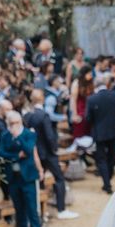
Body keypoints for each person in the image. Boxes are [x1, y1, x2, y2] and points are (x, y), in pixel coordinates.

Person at [25, 89, 79, 220]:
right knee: (59, 178)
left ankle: (41, 211)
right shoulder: (43, 115)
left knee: (40, 179)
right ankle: (61, 209)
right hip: (48, 153)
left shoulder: (27, 115)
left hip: (35, 153)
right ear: (42, 99)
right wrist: (54, 149)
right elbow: (49, 136)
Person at [0, 111, 47, 227]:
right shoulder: (4, 135)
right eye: (11, 123)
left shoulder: (29, 134)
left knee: (32, 210)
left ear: (21, 122)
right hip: (13, 178)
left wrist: (18, 138)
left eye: (16, 123)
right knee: (19, 209)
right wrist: (16, 156)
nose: (14, 126)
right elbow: (1, 153)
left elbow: (29, 150)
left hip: (28, 178)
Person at [86, 75, 115, 194]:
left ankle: (107, 183)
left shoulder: (92, 99)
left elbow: (88, 118)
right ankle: (108, 179)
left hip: (99, 132)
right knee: (111, 156)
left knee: (102, 158)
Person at [69, 65, 94, 139]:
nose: (91, 75)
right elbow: (73, 100)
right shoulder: (77, 83)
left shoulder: (90, 83)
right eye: (89, 74)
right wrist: (74, 114)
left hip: (88, 107)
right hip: (79, 108)